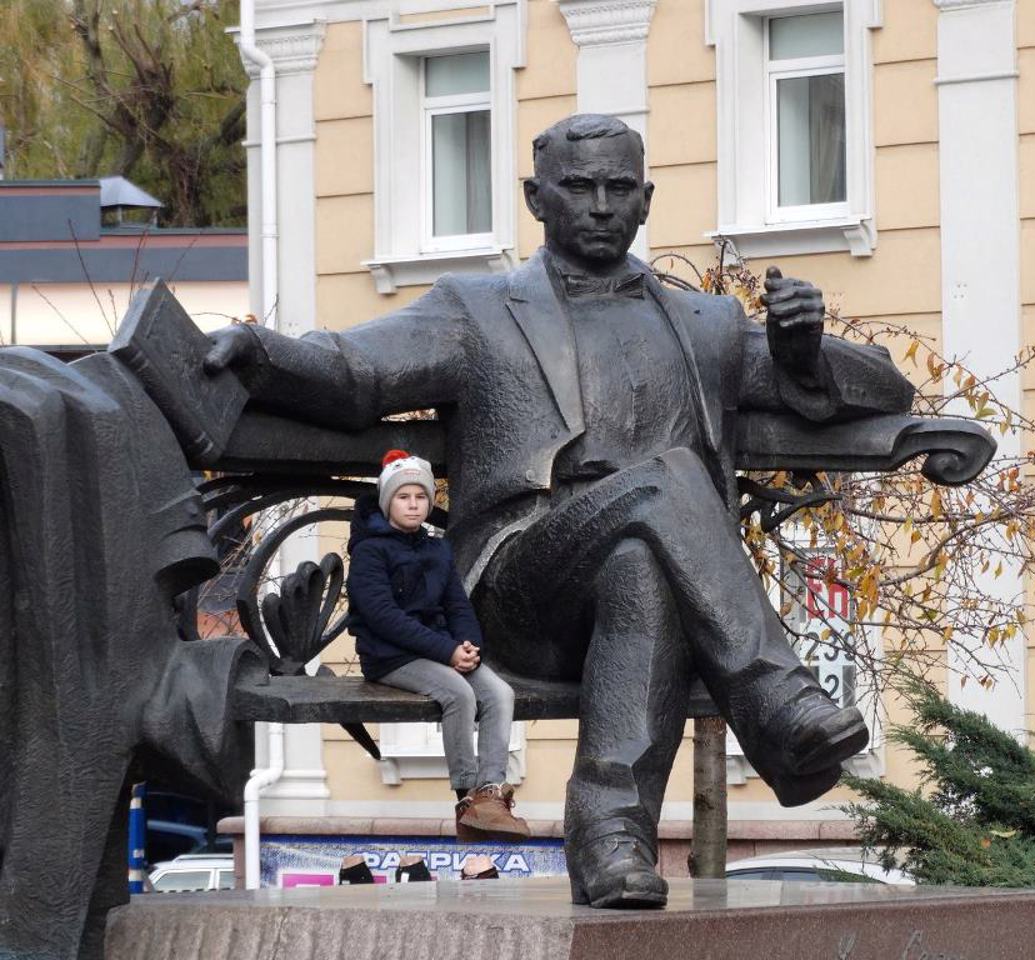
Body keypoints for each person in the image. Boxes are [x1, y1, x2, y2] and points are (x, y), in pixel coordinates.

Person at [204, 113, 916, 909]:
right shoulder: (476, 310)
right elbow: (357, 367)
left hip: (646, 589)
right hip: (518, 591)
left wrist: (799, 351)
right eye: (580, 188)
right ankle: (779, 703)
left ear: (647, 200)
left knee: (642, 562)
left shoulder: (705, 324)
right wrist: (263, 351)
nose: (602, 205)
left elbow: (887, 388)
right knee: (672, 480)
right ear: (536, 198)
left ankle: (612, 841)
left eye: (620, 188)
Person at [346, 449, 530, 842]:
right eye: (403, 497)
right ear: (387, 502)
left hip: (442, 650)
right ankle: (467, 797)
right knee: (459, 695)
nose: (413, 505)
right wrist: (446, 653)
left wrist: (468, 646)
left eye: (420, 497)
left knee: (500, 693)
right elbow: (384, 618)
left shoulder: (436, 548)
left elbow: (456, 603)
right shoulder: (369, 552)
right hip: (391, 655)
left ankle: (490, 794)